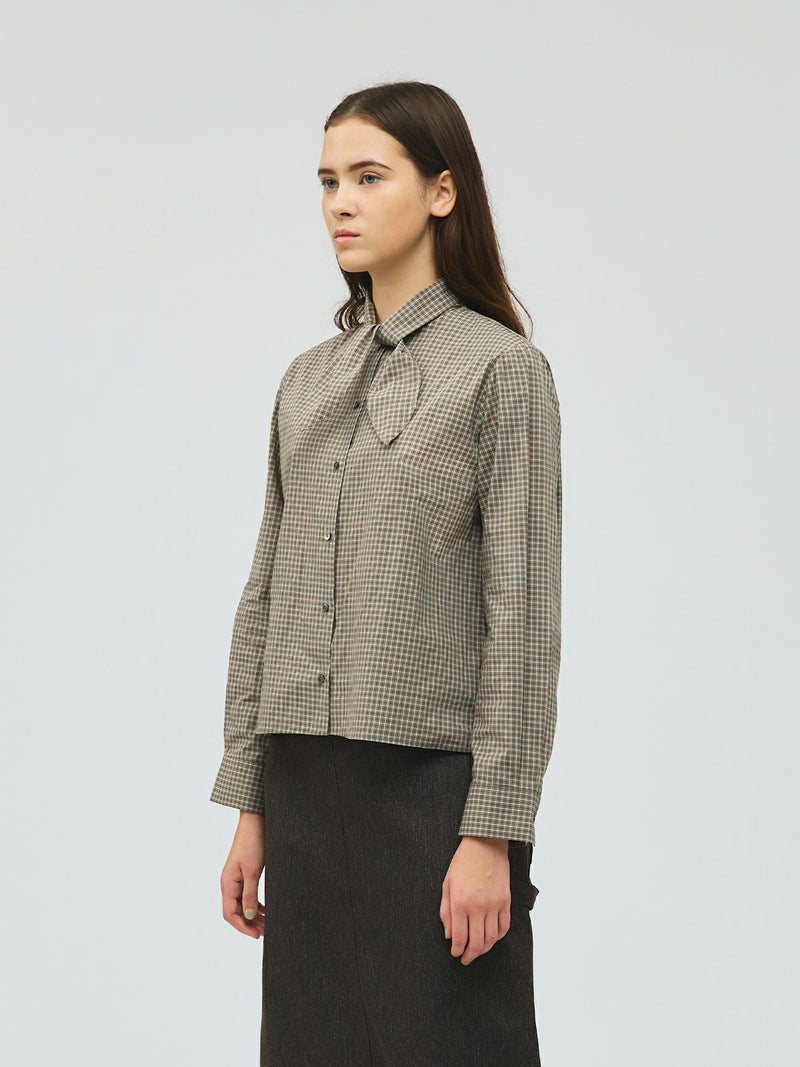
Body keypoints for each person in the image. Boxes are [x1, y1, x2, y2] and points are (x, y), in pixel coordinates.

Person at [210, 80, 562, 1066]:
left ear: (442, 192)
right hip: (305, 792)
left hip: (432, 796)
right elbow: (266, 591)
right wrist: (251, 801)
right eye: (328, 181)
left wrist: (492, 830)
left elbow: (523, 613)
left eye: (369, 177)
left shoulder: (501, 371)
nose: (341, 203)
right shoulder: (305, 380)